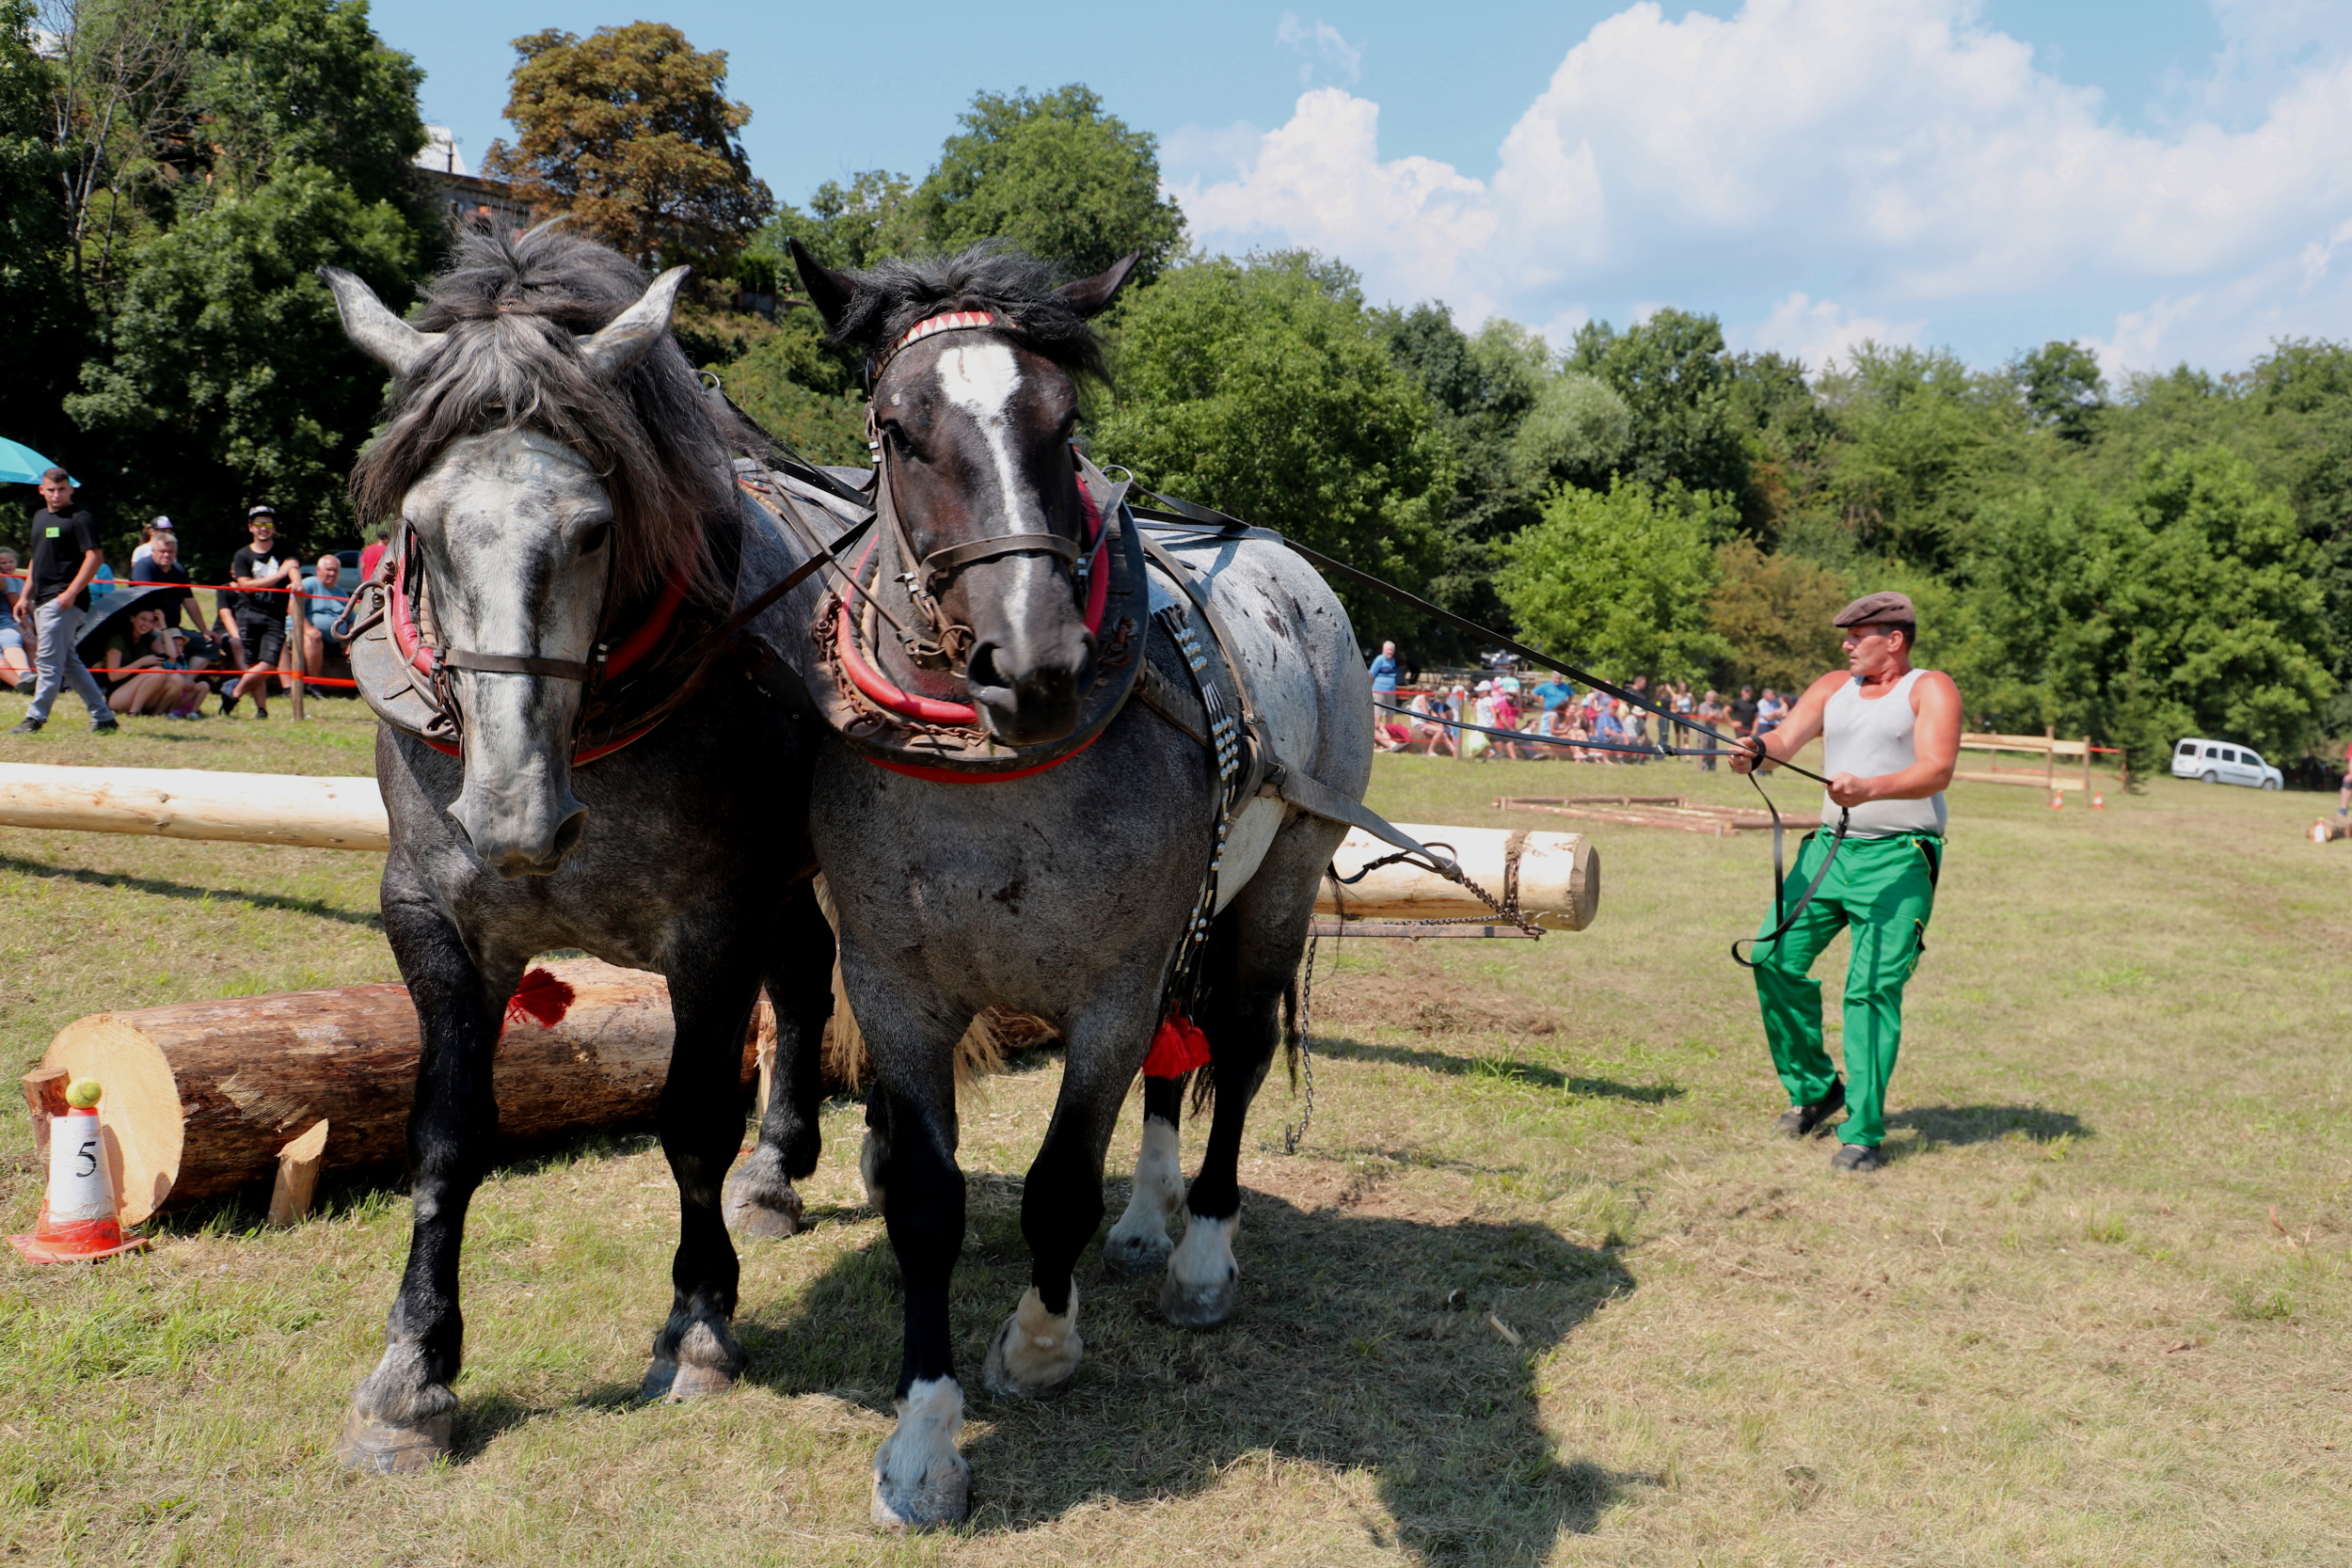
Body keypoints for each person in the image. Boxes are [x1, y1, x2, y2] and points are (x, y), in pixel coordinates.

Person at [1731, 591, 1959, 1175]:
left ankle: (1863, 1133)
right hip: (1830, 852)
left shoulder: (1930, 688)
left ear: (1895, 639)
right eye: (1847, 636)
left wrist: (1871, 788)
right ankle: (1816, 1088)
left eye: (1858, 635)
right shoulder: (1834, 686)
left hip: (1900, 859)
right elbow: (1784, 743)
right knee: (1772, 956)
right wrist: (1756, 752)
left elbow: (1937, 769)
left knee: (1869, 992)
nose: (1846, 644)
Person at [10, 467, 118, 735]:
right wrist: (25, 594)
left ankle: (35, 718)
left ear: (71, 489)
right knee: (69, 662)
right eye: (51, 490)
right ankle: (103, 717)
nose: (56, 495)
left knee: (47, 660)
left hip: (64, 601)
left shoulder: (80, 519)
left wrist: (70, 593)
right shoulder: (39, 517)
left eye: (62, 489)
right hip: (44, 599)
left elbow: (95, 558)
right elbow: (38, 558)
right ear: (41, 490)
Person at [224, 505, 300, 717]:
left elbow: (292, 566)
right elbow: (245, 585)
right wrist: (278, 577)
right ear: (251, 528)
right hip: (248, 612)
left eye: (268, 524)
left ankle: (233, 694)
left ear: (274, 528)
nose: (263, 528)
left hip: (276, 615)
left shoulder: (285, 549)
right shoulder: (242, 555)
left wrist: (296, 582)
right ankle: (261, 709)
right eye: (259, 524)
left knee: (269, 662)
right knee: (253, 664)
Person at [97, 605, 200, 716]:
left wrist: (163, 625)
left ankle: (158, 714)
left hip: (143, 693)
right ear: (132, 619)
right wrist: (141, 662)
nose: (146, 624)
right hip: (118, 697)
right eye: (143, 619)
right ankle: (133, 713)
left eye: (150, 621)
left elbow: (171, 655)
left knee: (177, 679)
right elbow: (113, 676)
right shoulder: (118, 640)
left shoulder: (148, 638)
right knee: (157, 672)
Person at [296, 552, 354, 675]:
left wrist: (351, 639)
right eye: (329, 570)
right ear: (318, 570)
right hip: (309, 634)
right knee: (313, 638)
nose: (332, 574)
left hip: (339, 640)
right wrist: (307, 628)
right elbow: (293, 608)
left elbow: (352, 619)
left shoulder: (341, 592)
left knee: (360, 645)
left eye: (335, 571)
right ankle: (313, 684)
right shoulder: (309, 584)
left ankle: (354, 686)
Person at [0, 548, 27, 690]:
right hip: (10, 622)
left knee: (12, 638)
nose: (8, 565)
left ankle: (27, 676)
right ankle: (22, 685)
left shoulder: (9, 579)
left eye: (11, 561)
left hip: (6, 625)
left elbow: (21, 607)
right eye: (3, 563)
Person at [129, 518, 173, 584]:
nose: (166, 535)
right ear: (152, 531)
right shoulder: (141, 550)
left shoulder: (170, 551)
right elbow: (135, 573)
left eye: (168, 532)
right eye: (162, 531)